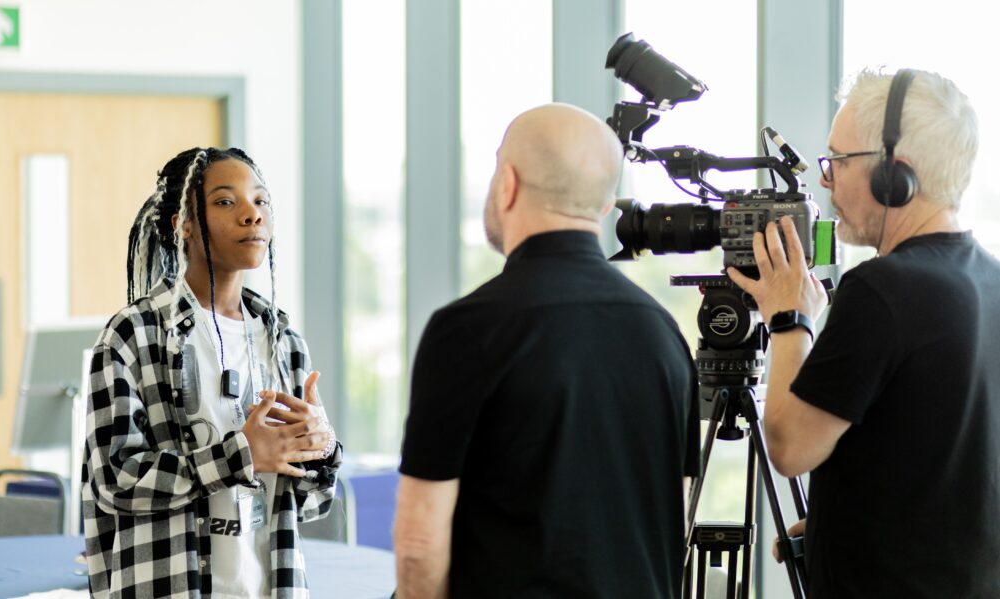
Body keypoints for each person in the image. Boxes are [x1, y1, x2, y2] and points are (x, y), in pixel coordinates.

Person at [393, 103, 699, 598]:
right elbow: (674, 511)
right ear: (603, 206)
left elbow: (419, 543)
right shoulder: (664, 332)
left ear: (507, 184)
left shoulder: (467, 330)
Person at [727, 68, 1000, 597]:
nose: (825, 181)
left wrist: (790, 317)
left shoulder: (882, 289)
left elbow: (788, 447)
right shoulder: (989, 280)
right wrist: (848, 516)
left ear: (895, 175)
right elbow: (945, 458)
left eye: (837, 161)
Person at [82, 147, 342, 598]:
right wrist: (242, 455)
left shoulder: (283, 341)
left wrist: (320, 451)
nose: (251, 216)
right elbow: (115, 480)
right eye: (226, 201)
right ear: (182, 224)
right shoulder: (135, 334)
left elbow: (309, 504)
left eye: (260, 201)